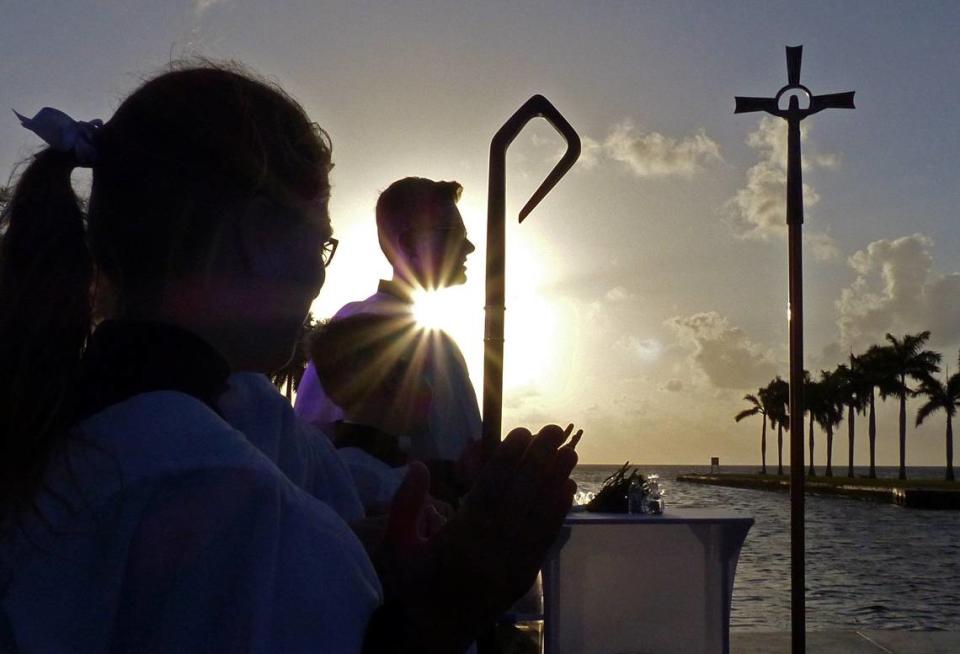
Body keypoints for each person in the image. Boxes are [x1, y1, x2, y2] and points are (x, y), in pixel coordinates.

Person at [0, 64, 578, 653]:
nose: (318, 279)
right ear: (256, 239)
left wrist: (362, 540)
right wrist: (459, 596)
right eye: (320, 244)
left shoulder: (71, 425)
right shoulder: (220, 492)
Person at [296, 177, 481, 469]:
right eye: (453, 234)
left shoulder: (368, 324)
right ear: (410, 244)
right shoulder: (363, 331)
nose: (469, 247)